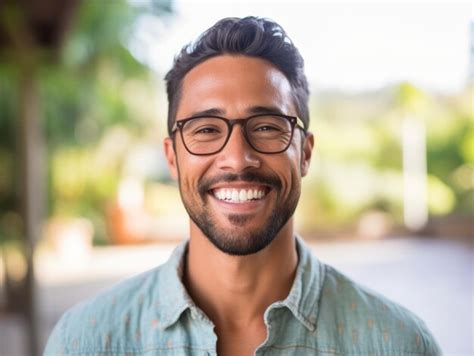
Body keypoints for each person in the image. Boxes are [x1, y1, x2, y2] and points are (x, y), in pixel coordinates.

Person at [44, 16, 441, 355]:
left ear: (305, 153)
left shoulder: (398, 343)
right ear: (171, 157)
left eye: (267, 127)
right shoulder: (87, 342)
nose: (237, 158)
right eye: (205, 129)